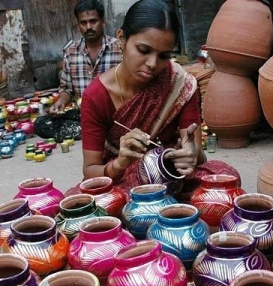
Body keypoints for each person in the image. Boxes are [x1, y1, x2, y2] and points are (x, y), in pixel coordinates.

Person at [66, 0, 241, 200]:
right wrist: (120, 163)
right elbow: (90, 170)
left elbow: (196, 155)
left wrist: (192, 155)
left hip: (169, 171)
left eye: (164, 56)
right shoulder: (96, 96)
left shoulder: (180, 84)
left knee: (226, 181)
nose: (152, 64)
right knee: (85, 202)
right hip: (122, 179)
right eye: (143, 50)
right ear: (121, 38)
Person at [33, 0, 122, 142]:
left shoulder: (119, 48)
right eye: (83, 23)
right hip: (85, 114)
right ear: (78, 26)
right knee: (41, 124)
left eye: (93, 21)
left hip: (114, 113)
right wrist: (60, 103)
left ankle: (97, 131)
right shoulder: (70, 52)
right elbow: (67, 89)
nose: (88, 27)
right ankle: (97, 131)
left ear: (103, 22)